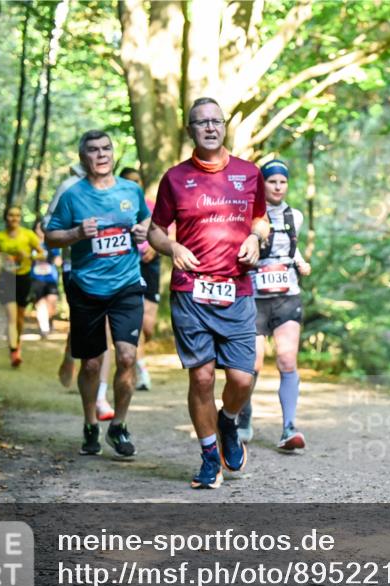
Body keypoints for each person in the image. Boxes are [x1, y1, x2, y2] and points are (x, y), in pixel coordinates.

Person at [147, 97, 268, 490]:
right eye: (202, 123)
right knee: (200, 378)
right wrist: (173, 247)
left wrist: (254, 236)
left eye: (216, 121)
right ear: (191, 131)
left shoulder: (250, 174)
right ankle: (207, 456)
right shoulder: (175, 178)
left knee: (241, 379)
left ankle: (228, 422)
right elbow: (155, 231)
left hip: (236, 289)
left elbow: (262, 221)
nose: (210, 128)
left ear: (224, 126)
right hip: (191, 291)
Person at [45, 130, 150, 457]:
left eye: (106, 148)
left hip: (127, 285)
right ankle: (91, 424)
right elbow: (50, 237)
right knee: (90, 364)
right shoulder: (72, 195)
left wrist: (147, 236)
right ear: (83, 157)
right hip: (87, 287)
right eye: (93, 150)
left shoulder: (131, 191)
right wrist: (76, 233)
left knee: (127, 356)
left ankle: (118, 426)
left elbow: (149, 225)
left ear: (113, 154)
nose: (101, 154)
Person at [236, 159, 311, 450]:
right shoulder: (248, 216)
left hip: (286, 296)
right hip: (254, 298)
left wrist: (301, 262)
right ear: (262, 184)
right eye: (272, 181)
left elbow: (291, 246)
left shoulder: (297, 216)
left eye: (282, 182)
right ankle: (244, 416)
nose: (278, 186)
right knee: (251, 364)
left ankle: (289, 427)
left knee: (287, 360)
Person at [119, 167, 158, 391]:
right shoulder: (113, 205)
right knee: (136, 320)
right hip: (127, 265)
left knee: (148, 325)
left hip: (150, 265)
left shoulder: (151, 205)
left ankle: (138, 355)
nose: (133, 185)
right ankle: (140, 369)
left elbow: (169, 232)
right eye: (128, 181)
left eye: (136, 181)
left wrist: (154, 246)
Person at [0, 206, 45, 368]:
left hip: (24, 278)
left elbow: (42, 254)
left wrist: (30, 255)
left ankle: (16, 343)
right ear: (5, 217)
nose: (14, 218)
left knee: (19, 319)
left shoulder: (28, 235)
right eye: (11, 215)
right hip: (7, 278)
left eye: (17, 215)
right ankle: (14, 351)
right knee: (11, 316)